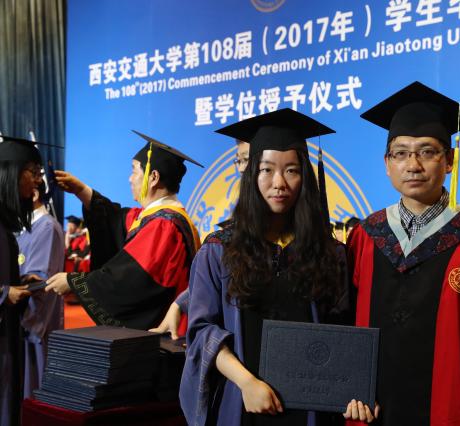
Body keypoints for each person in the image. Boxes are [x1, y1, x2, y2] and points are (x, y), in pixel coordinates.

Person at [346, 82, 460, 425]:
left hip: (450, 408)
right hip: (373, 410)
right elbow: (344, 325)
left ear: (449, 161)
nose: (413, 165)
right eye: (400, 153)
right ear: (387, 163)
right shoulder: (366, 236)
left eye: (427, 152)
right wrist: (347, 388)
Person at [179, 108, 365, 426]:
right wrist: (247, 383)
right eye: (267, 170)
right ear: (252, 175)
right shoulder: (219, 250)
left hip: (311, 408)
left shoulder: (330, 253)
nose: (279, 183)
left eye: (291, 170)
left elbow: (343, 332)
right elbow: (202, 331)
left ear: (305, 178)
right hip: (245, 404)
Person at [45, 131, 202, 330]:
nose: (130, 179)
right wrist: (81, 190)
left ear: (153, 177)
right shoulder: (158, 218)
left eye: (134, 171)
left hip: (166, 332)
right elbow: (115, 218)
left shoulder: (164, 226)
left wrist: (74, 281)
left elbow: (130, 279)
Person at [150, 138, 250, 339]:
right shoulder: (233, 231)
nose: (241, 169)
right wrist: (180, 303)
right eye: (238, 160)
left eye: (246, 160)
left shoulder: (167, 221)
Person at [0, 135, 41, 426]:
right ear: (12, 172)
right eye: (33, 172)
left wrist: (19, 282)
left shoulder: (4, 224)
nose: (38, 181)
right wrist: (5, 293)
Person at [16, 181, 65, 398]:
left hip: (31, 325)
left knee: (31, 389)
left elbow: (40, 283)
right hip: (19, 322)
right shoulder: (26, 227)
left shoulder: (46, 228)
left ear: (34, 193)